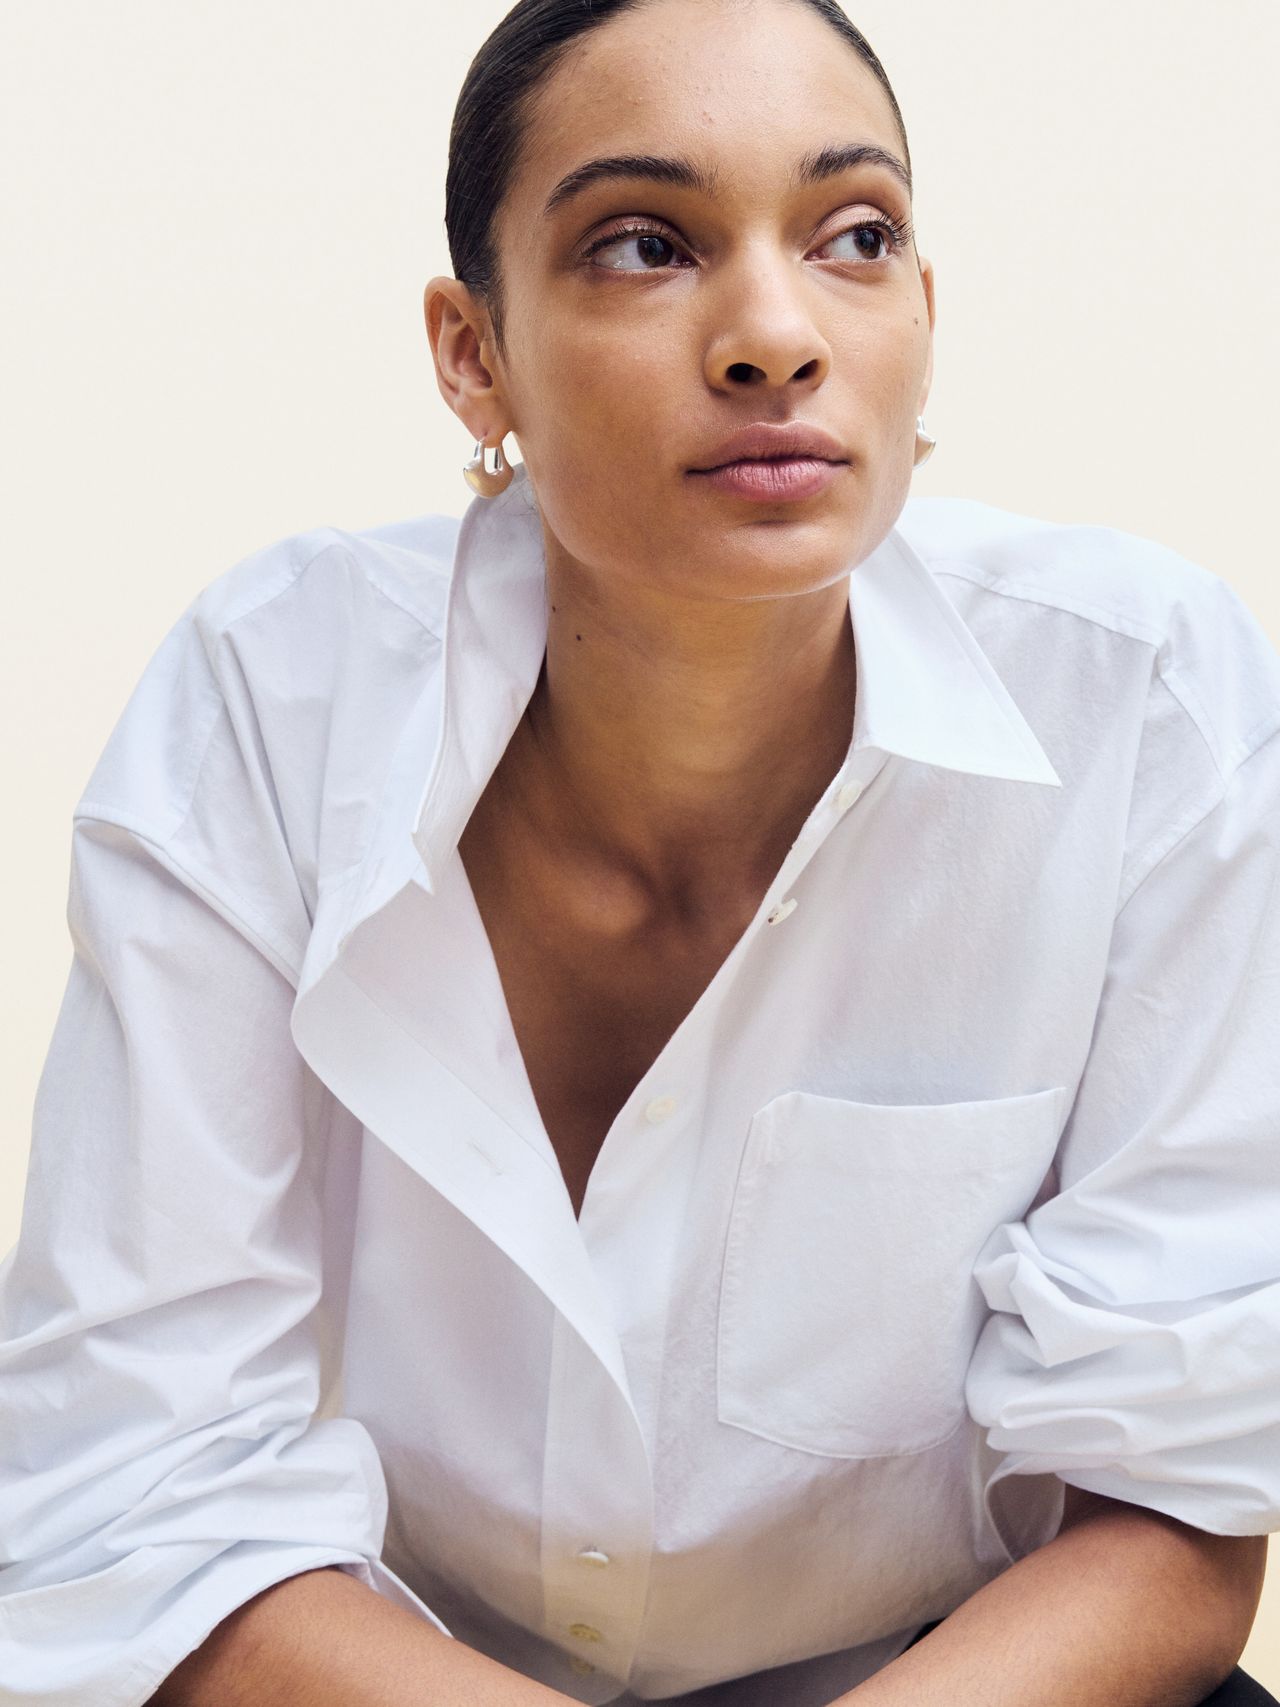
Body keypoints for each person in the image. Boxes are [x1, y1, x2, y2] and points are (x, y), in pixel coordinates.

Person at [1, 0, 1278, 1702]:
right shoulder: (268, 707)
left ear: (924, 308)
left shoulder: (1148, 703)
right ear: (475, 353)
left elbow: (1172, 1514)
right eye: (643, 245)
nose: (775, 336)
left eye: (854, 237)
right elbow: (139, 1493)